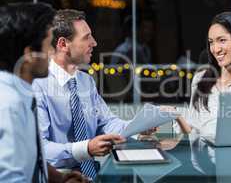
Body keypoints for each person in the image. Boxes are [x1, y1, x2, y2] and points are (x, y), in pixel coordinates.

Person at [33, 9, 148, 180]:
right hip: (57, 177)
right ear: (63, 44)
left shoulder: (86, 81)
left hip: (92, 174)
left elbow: (107, 123)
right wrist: (85, 149)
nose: (94, 43)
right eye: (87, 37)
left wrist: (139, 127)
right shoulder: (38, 85)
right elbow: (40, 148)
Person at [0, 3, 88, 182]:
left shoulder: (22, 95)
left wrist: (58, 178)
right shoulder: (8, 106)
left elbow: (31, 157)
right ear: (29, 55)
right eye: (49, 46)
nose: (54, 53)